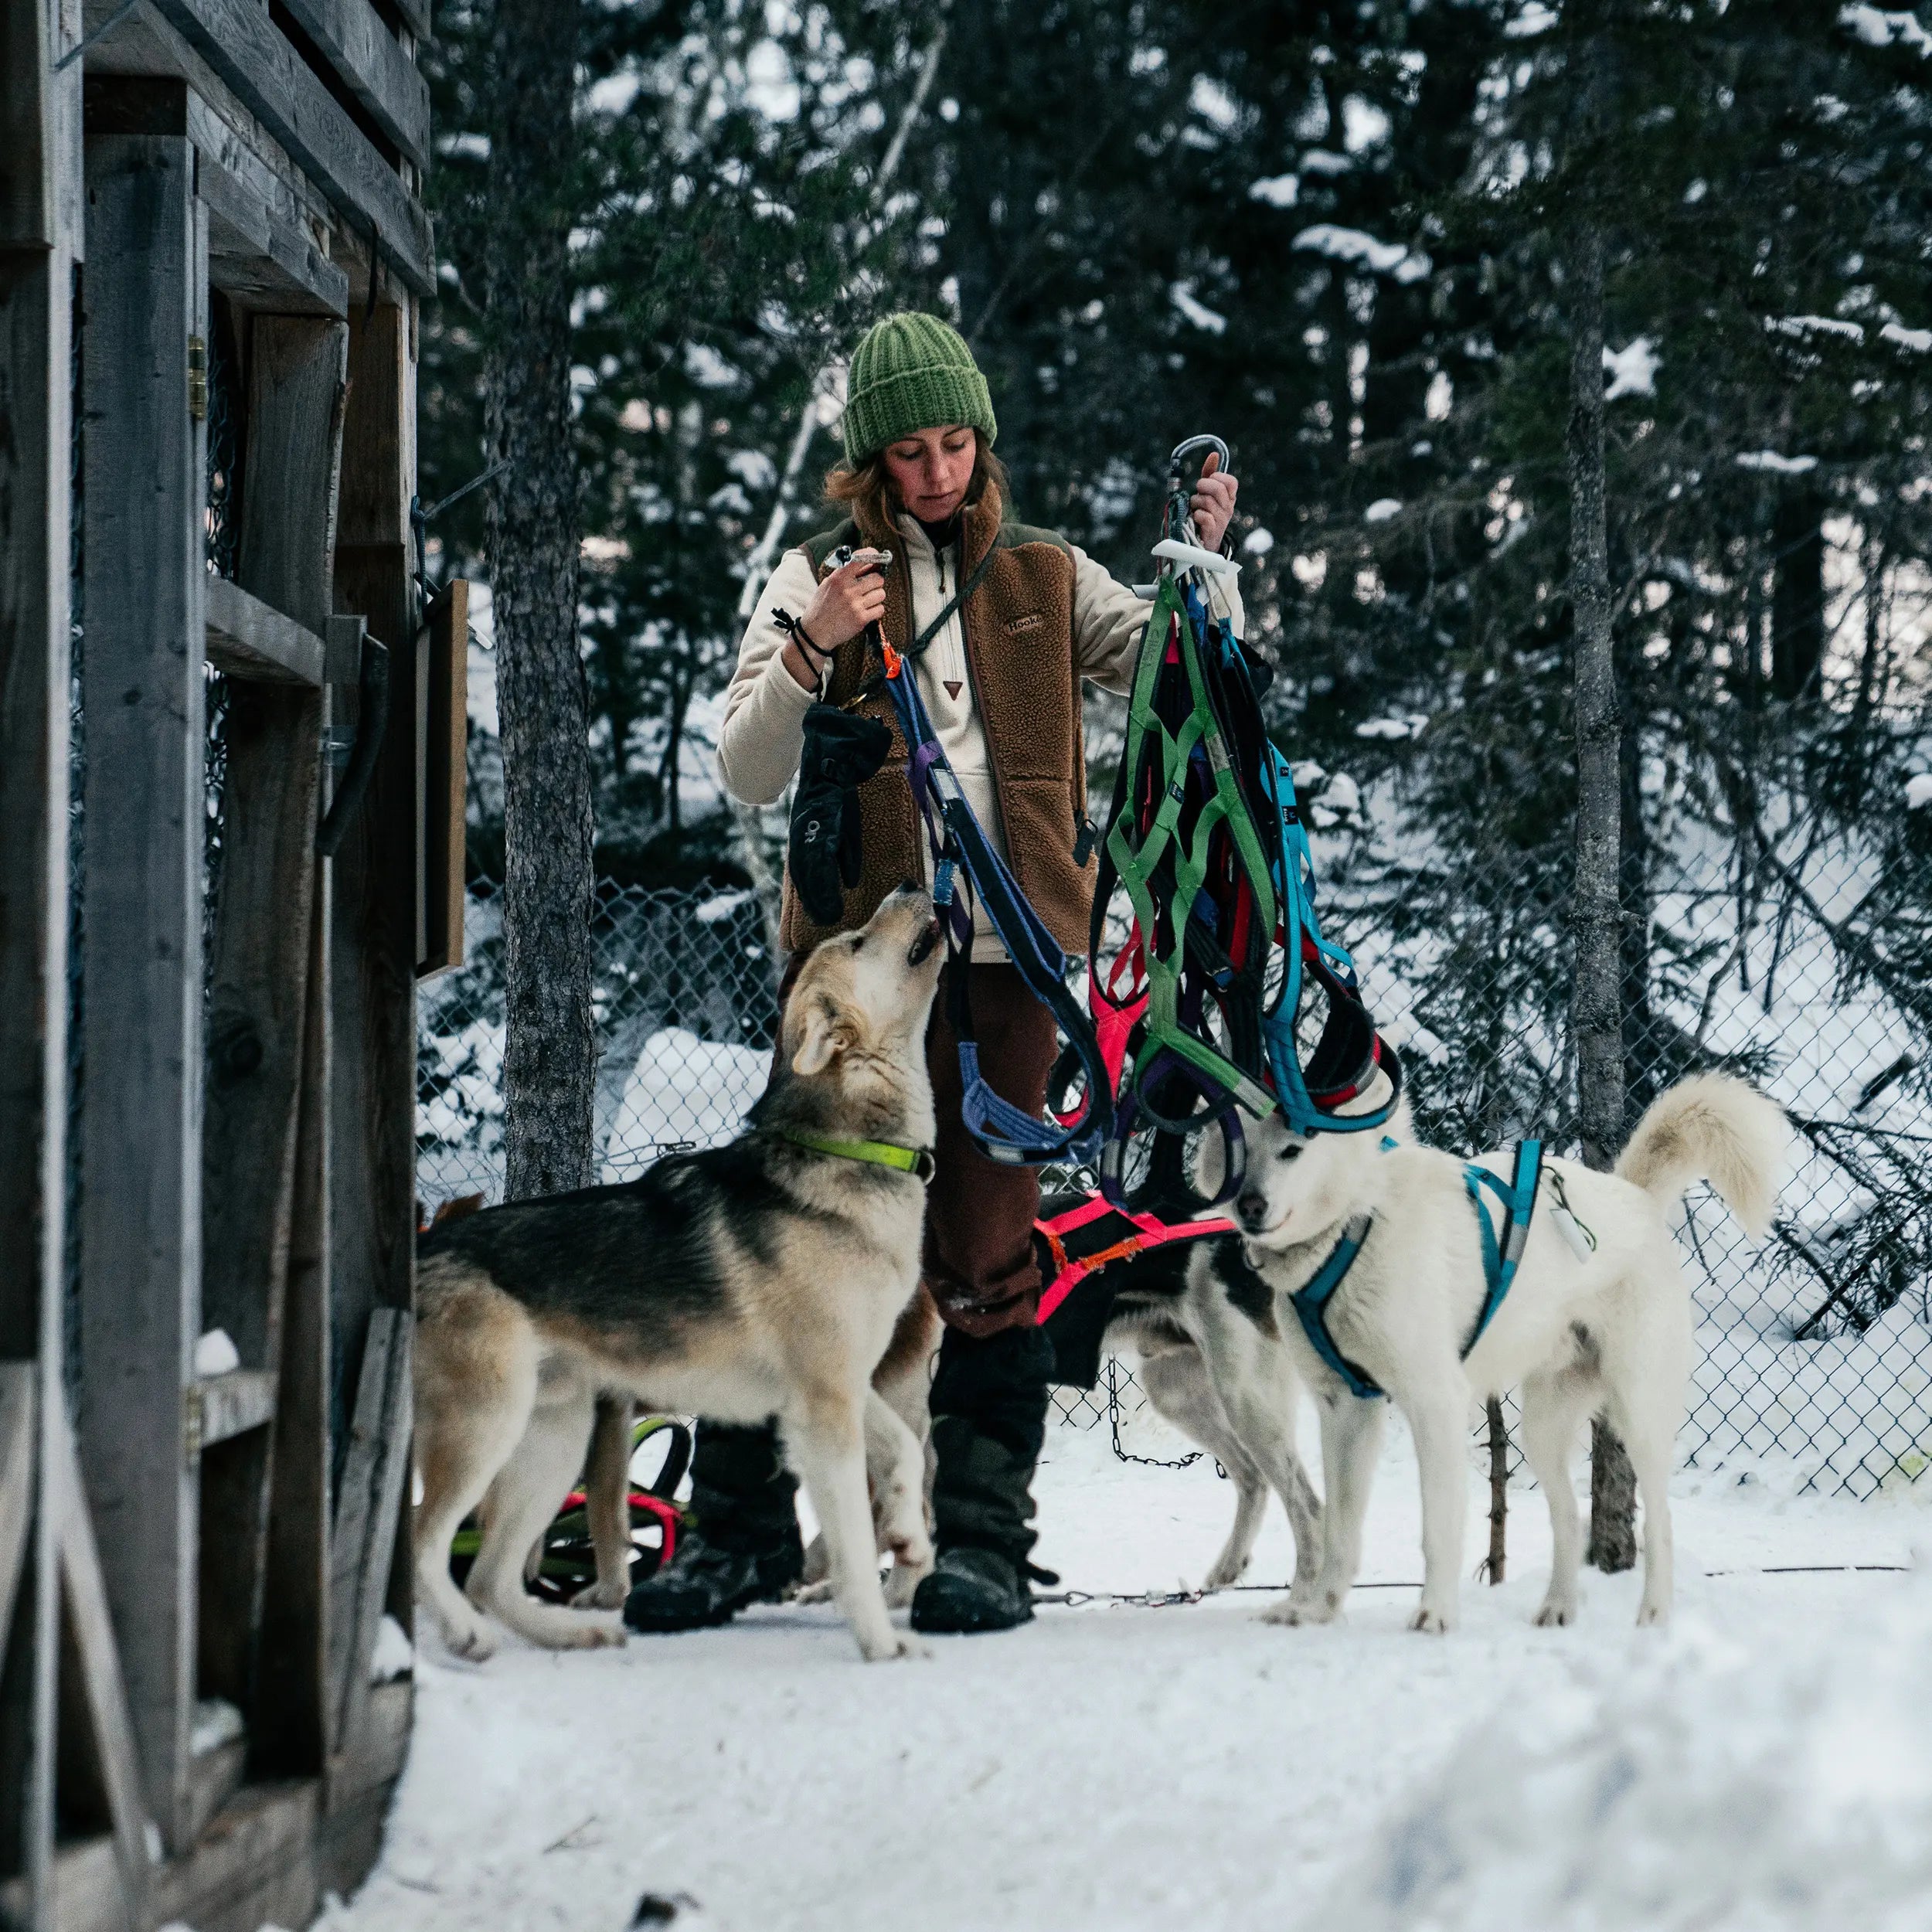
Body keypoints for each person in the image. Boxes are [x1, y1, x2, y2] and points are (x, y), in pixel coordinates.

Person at [624, 311, 1242, 1637]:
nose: (941, 471)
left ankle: (981, 1544)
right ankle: (733, 1536)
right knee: (793, 1241)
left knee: (988, 1248)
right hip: (856, 991)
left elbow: (1191, 681)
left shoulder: (1047, 578)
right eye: (912, 451)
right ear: (870, 462)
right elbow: (742, 767)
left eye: (959, 443)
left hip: (1013, 966)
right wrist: (807, 652)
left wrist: (1204, 564)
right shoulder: (813, 578)